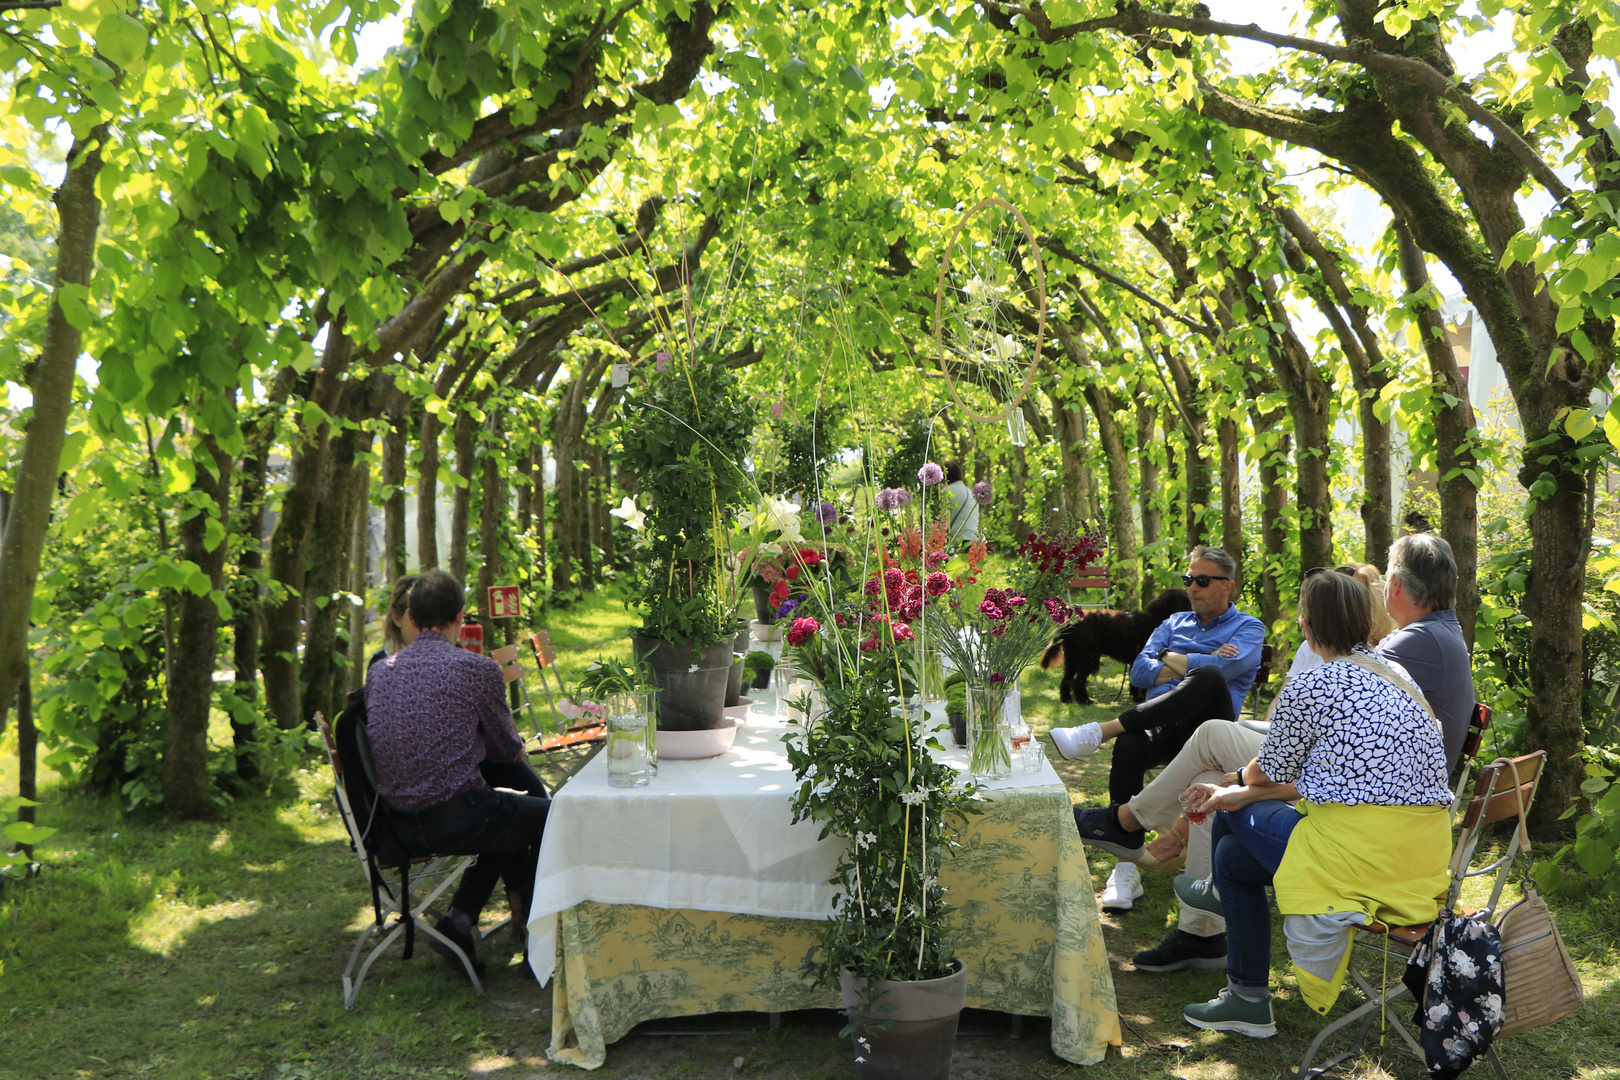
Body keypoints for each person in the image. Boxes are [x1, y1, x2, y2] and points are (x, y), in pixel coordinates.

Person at [1077, 537, 1474, 970]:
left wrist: (1236, 784)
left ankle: (1132, 828)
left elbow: (1281, 766)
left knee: (1215, 770)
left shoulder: (1404, 647)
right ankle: (1216, 953)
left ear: (1305, 628)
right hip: (1412, 835)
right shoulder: (1412, 653)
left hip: (1367, 833)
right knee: (1212, 776)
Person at [1173, 571, 1453, 1038]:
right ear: (1367, 621)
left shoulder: (1311, 686)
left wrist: (1234, 786)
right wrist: (1236, 789)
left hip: (1360, 860)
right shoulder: (1397, 674)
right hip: (1421, 859)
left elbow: (1270, 773)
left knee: (1234, 824)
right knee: (1234, 858)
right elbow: (1327, 778)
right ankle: (1242, 981)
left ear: (1305, 626)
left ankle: (1242, 979)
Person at [365, 569, 550, 976]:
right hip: (458, 818)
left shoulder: (380, 671)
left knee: (506, 811)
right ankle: (544, 939)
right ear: (461, 615)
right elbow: (507, 751)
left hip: (396, 827)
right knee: (552, 818)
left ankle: (461, 920)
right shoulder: (476, 669)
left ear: (410, 616)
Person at [942, 461, 979, 543]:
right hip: (974, 539)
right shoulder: (970, 492)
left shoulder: (947, 491)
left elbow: (942, 519)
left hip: (959, 539)